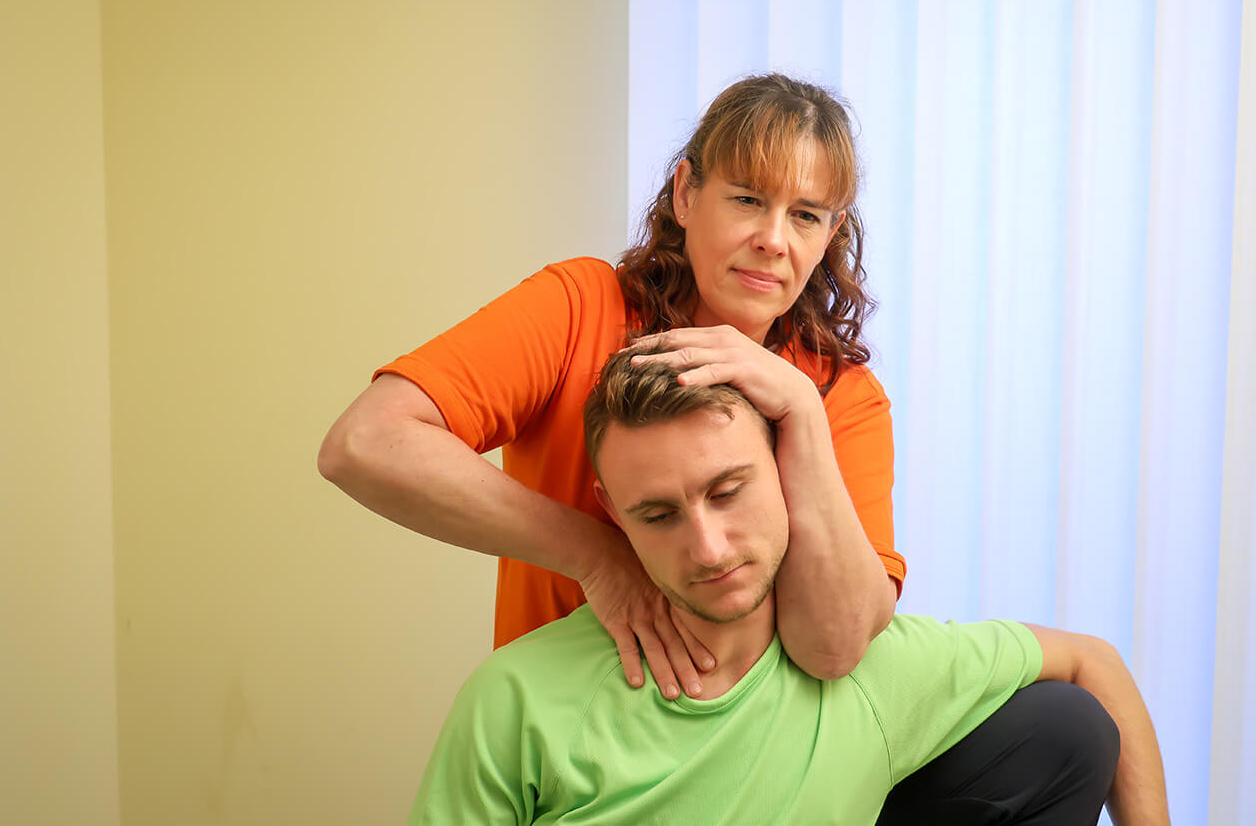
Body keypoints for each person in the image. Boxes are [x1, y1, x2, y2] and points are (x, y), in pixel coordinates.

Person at [318, 73, 1116, 818]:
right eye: (746, 199)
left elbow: (836, 644)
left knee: (1062, 728)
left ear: (831, 232)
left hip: (777, 753)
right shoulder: (580, 309)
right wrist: (602, 559)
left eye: (805, 215)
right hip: (599, 738)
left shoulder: (838, 394)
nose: (774, 240)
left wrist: (800, 408)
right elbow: (367, 443)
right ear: (685, 194)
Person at [406, 349, 1169, 824]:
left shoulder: (873, 674)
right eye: (658, 514)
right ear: (612, 513)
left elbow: (1092, 665)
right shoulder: (516, 700)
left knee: (1068, 728)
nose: (706, 547)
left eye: (728, 490)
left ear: (784, 470)